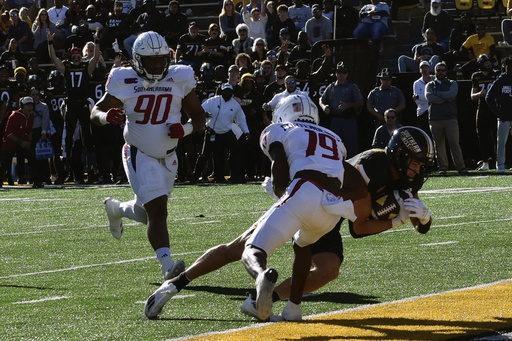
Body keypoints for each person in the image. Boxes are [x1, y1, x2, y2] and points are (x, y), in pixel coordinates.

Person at [144, 103, 434, 322]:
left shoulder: (402, 177)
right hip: (331, 202)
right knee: (239, 247)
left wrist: (423, 217)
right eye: (416, 163)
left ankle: (263, 299)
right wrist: (392, 218)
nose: (418, 170)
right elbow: (358, 221)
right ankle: (177, 283)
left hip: (325, 203)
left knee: (327, 269)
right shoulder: (373, 162)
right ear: (399, 155)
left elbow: (404, 222)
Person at [90, 31, 206, 279]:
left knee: (147, 214)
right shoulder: (124, 78)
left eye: (160, 60)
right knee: (159, 211)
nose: (156, 65)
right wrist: (105, 116)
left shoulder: (180, 76)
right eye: (150, 61)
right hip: (138, 152)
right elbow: (96, 111)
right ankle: (167, 266)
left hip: (169, 157)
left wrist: (184, 129)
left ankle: (116, 208)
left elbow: (199, 117)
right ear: (137, 60)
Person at [48, 27, 100, 184]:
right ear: (71, 56)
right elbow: (53, 58)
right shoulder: (67, 68)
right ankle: (66, 172)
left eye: (78, 54)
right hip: (71, 104)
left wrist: (97, 40)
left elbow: (96, 57)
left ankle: (91, 170)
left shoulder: (86, 67)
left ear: (81, 55)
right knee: (69, 139)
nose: (76, 56)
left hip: (82, 104)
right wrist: (50, 42)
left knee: (87, 139)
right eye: (74, 54)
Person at [190, 83, 250, 184]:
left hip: (226, 131)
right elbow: (200, 110)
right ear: (221, 92)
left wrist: (246, 132)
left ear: (232, 93)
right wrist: (202, 117)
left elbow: (241, 120)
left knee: (236, 151)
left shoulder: (235, 104)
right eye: (225, 91)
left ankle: (235, 176)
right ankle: (195, 177)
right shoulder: (213, 101)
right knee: (205, 154)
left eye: (229, 91)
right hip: (212, 131)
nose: (227, 93)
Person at [425, 62, 467, 175]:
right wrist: (444, 98)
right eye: (438, 70)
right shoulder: (429, 85)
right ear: (435, 71)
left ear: (446, 71)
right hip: (435, 119)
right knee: (438, 145)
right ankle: (442, 168)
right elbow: (429, 97)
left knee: (454, 143)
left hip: (450, 119)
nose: (440, 72)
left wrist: (437, 94)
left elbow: (451, 95)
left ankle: (461, 167)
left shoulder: (452, 83)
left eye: (443, 70)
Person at [319, 61, 363, 158]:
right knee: (333, 145)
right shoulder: (331, 87)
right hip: (335, 120)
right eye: (339, 72)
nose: (341, 75)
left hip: (348, 120)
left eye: (344, 72)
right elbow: (321, 100)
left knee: (351, 146)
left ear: (347, 74)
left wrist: (348, 105)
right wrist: (324, 107)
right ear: (336, 73)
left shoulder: (352, 87)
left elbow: (360, 102)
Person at [0, 96, 42, 188]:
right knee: (5, 163)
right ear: (22, 106)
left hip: (22, 142)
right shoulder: (14, 116)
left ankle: (37, 180)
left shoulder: (31, 117)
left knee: (32, 158)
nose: (30, 107)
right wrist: (21, 142)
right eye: (28, 105)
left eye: (31, 105)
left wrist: (28, 141)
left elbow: (30, 130)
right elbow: (8, 134)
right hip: (10, 143)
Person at [471, 54, 498, 172]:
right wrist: (480, 94)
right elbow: (472, 96)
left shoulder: (496, 74)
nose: (489, 64)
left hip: (495, 109)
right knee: (483, 137)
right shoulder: (476, 76)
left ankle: (499, 161)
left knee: (498, 136)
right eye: (486, 62)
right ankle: (485, 162)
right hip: (482, 109)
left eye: (489, 62)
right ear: (481, 64)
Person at [485, 57, 512, 174]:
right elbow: (488, 97)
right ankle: (500, 164)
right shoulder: (500, 81)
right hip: (504, 117)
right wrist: (497, 111)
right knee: (501, 142)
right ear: (504, 68)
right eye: (509, 66)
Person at [413, 61, 434, 136]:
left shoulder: (434, 81)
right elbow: (417, 102)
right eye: (422, 68)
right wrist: (428, 97)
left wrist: (419, 96)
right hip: (422, 112)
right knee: (424, 135)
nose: (424, 70)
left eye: (426, 68)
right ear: (420, 70)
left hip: (434, 111)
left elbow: (434, 97)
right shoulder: (416, 83)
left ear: (429, 69)